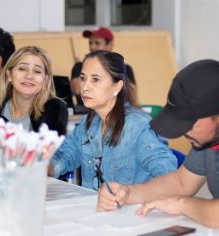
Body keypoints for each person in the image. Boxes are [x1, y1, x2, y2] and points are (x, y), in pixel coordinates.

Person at [96, 59, 219, 234]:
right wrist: (128, 193)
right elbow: (181, 183)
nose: (184, 133)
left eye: (188, 125)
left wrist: (182, 204)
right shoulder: (213, 133)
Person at [48, 50, 177, 190]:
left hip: (133, 209)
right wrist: (43, 168)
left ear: (117, 86)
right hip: (96, 208)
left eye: (95, 79)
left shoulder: (139, 126)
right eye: (83, 78)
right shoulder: (87, 123)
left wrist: (131, 194)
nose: (85, 87)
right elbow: (65, 156)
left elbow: (167, 176)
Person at [70, 27, 138, 114]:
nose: (92, 47)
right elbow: (77, 89)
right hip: (86, 115)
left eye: (97, 43)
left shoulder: (125, 68)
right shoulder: (79, 66)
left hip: (118, 114)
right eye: (90, 43)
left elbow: (130, 93)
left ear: (110, 45)